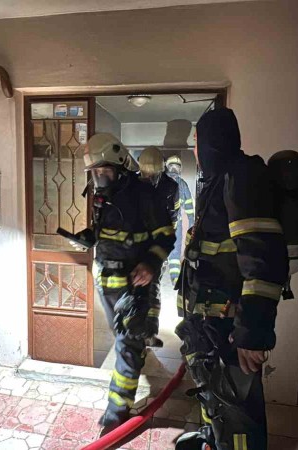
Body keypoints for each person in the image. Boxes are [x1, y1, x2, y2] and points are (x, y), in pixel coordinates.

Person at [174, 108, 288, 450]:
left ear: (210, 142)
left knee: (237, 410)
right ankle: (212, 440)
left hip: (230, 326)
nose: (195, 149)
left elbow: (262, 259)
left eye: (196, 141)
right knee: (214, 395)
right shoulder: (219, 180)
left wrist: (251, 333)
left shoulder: (242, 177)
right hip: (209, 323)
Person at [70, 133, 176, 430]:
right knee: (125, 337)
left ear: (121, 165)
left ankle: (117, 411)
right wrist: (88, 237)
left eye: (105, 171)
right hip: (107, 283)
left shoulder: (144, 195)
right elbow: (103, 232)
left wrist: (150, 264)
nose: (100, 178)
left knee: (126, 343)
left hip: (133, 284)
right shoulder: (103, 196)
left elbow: (166, 236)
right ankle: (138, 346)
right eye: (95, 173)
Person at [138, 146, 180, 348]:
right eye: (146, 175)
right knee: (137, 289)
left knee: (153, 286)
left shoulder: (171, 187)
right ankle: (137, 331)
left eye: (153, 175)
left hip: (158, 243)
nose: (150, 179)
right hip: (138, 243)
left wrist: (164, 242)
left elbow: (174, 216)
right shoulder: (133, 185)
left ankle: (150, 332)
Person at [164, 155, 195, 285]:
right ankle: (174, 280)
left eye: (175, 167)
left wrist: (192, 223)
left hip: (166, 223)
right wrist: (192, 223)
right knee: (172, 251)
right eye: (173, 167)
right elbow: (189, 207)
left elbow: (189, 206)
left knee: (173, 250)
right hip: (173, 223)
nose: (174, 170)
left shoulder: (162, 182)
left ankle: (174, 279)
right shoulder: (181, 184)